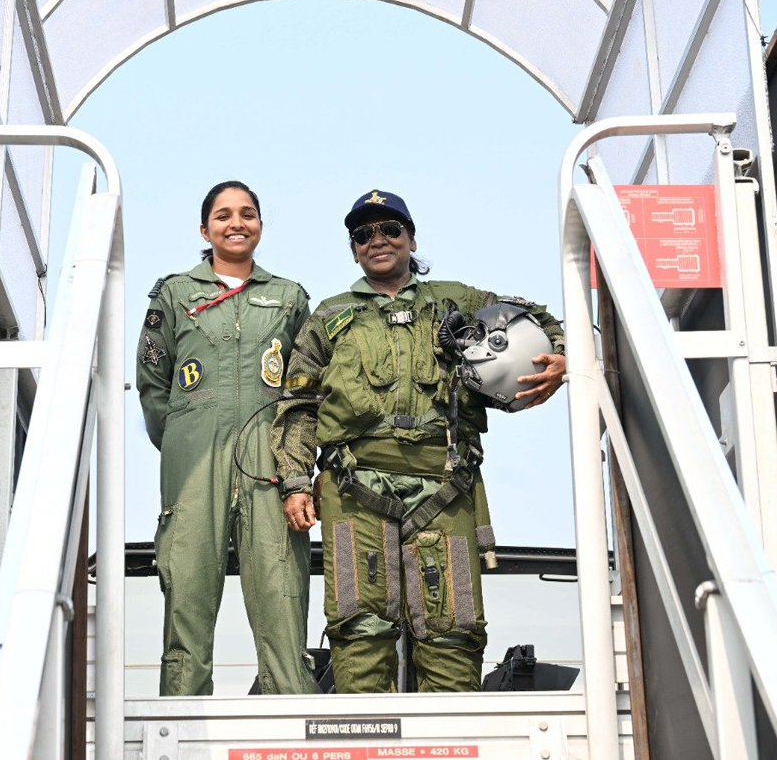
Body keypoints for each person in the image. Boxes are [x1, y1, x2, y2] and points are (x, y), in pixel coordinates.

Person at [270, 189, 566, 693]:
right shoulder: (329, 317)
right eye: (363, 234)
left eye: (390, 229)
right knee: (358, 625)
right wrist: (296, 481)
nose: (378, 240)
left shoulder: (457, 302)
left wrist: (560, 354)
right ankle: (365, 735)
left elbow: (534, 317)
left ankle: (451, 733)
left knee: (453, 628)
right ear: (354, 249)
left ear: (411, 237)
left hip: (445, 485)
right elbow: (299, 403)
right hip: (353, 486)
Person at [136, 181, 317, 696]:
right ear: (204, 229)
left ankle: (291, 718)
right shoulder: (174, 294)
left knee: (283, 593)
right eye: (223, 215)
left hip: (270, 464)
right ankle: (180, 722)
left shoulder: (289, 298)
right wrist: (185, 442)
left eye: (247, 214)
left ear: (260, 224)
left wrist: (295, 467)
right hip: (194, 463)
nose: (236, 223)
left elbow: (306, 388)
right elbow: (152, 382)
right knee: (187, 593)